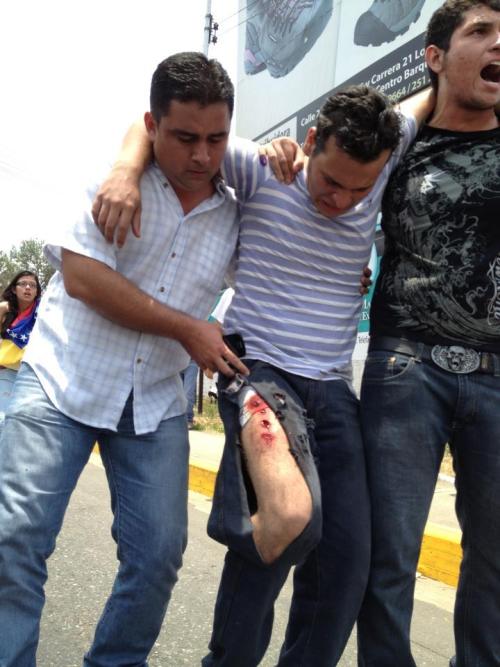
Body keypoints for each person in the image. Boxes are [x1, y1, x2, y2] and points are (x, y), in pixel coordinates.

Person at [91, 83, 434, 665]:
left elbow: (429, 94)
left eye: (360, 188)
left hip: (330, 386)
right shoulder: (260, 170)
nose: (343, 201)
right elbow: (158, 132)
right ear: (309, 143)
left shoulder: (380, 150)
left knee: (348, 558)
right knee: (282, 523)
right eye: (330, 182)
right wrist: (125, 170)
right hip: (261, 371)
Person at [0, 51, 249, 667]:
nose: (201, 155)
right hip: (63, 379)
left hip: (156, 402)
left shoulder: (241, 205)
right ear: (152, 125)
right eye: (184, 137)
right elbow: (83, 277)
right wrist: (188, 329)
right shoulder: (112, 178)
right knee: (13, 539)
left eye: (216, 138)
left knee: (159, 555)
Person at [355, 2, 500, 666]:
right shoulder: (397, 146)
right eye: (483, 33)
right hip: (404, 367)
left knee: (496, 564)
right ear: (436, 56)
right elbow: (326, 181)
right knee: (387, 555)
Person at [0, 270, 41, 432]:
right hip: (6, 372)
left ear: (37, 291)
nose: (28, 288)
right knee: (3, 420)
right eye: (23, 284)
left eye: (32, 285)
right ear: (14, 288)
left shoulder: (43, 311)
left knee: (22, 426)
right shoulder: (4, 309)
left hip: (31, 376)